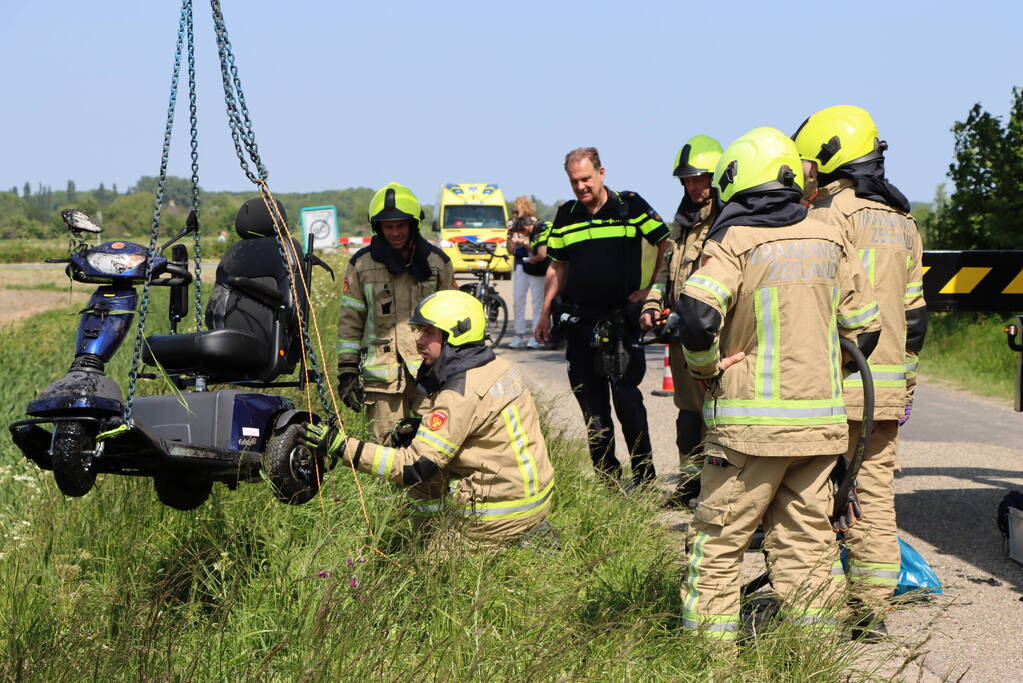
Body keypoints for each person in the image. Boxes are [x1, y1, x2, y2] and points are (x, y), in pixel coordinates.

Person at [677, 127, 881, 641]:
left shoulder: (734, 240)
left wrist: (705, 370)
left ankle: (709, 658)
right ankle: (811, 652)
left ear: (736, 178)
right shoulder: (830, 236)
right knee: (808, 545)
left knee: (720, 543)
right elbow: (867, 329)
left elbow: (698, 318)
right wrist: (827, 372)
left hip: (749, 433)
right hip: (819, 431)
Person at [794, 105, 927, 638]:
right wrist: (905, 386)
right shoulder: (904, 221)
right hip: (888, 388)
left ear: (830, 155)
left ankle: (815, 609)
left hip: (835, 382)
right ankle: (871, 609)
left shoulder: (827, 216)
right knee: (873, 492)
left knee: (816, 495)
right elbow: (915, 319)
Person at [308, 290, 555, 548]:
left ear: (455, 335)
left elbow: (413, 465)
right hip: (533, 497)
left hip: (499, 515)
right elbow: (478, 426)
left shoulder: (458, 393)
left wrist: (340, 446)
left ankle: (432, 544)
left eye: (428, 332)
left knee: (430, 569)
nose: (418, 341)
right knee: (426, 462)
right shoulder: (497, 366)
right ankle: (443, 532)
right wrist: (421, 429)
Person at [535, 147, 670, 485]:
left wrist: (652, 289)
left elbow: (667, 244)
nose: (581, 187)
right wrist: (544, 312)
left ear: (601, 173)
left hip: (621, 323)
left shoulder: (629, 205)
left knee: (627, 402)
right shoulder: (566, 215)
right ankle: (607, 482)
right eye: (574, 181)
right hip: (581, 325)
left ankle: (643, 476)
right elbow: (557, 266)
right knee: (593, 411)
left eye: (586, 179)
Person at [640, 135, 723, 508]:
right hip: (681, 339)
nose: (693, 187)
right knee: (687, 418)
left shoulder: (728, 224)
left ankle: (717, 492)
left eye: (700, 179)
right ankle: (688, 485)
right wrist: (652, 304)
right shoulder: (681, 226)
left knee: (717, 418)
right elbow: (664, 273)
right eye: (687, 180)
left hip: (716, 339)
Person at [337, 182, 455, 441]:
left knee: (434, 445)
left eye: (401, 225)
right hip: (382, 379)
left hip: (428, 375)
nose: (395, 233)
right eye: (388, 227)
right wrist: (347, 372)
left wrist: (456, 363)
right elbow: (350, 321)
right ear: (377, 227)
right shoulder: (361, 264)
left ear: (413, 225)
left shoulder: (438, 263)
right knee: (384, 451)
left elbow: (453, 317)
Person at [505, 196, 546, 349]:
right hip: (521, 264)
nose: (515, 215)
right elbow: (510, 250)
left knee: (537, 302)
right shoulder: (513, 225)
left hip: (535, 264)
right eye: (513, 212)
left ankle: (537, 335)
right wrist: (510, 236)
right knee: (518, 300)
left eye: (517, 211)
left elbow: (537, 247)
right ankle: (519, 334)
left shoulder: (535, 224)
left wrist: (523, 241)